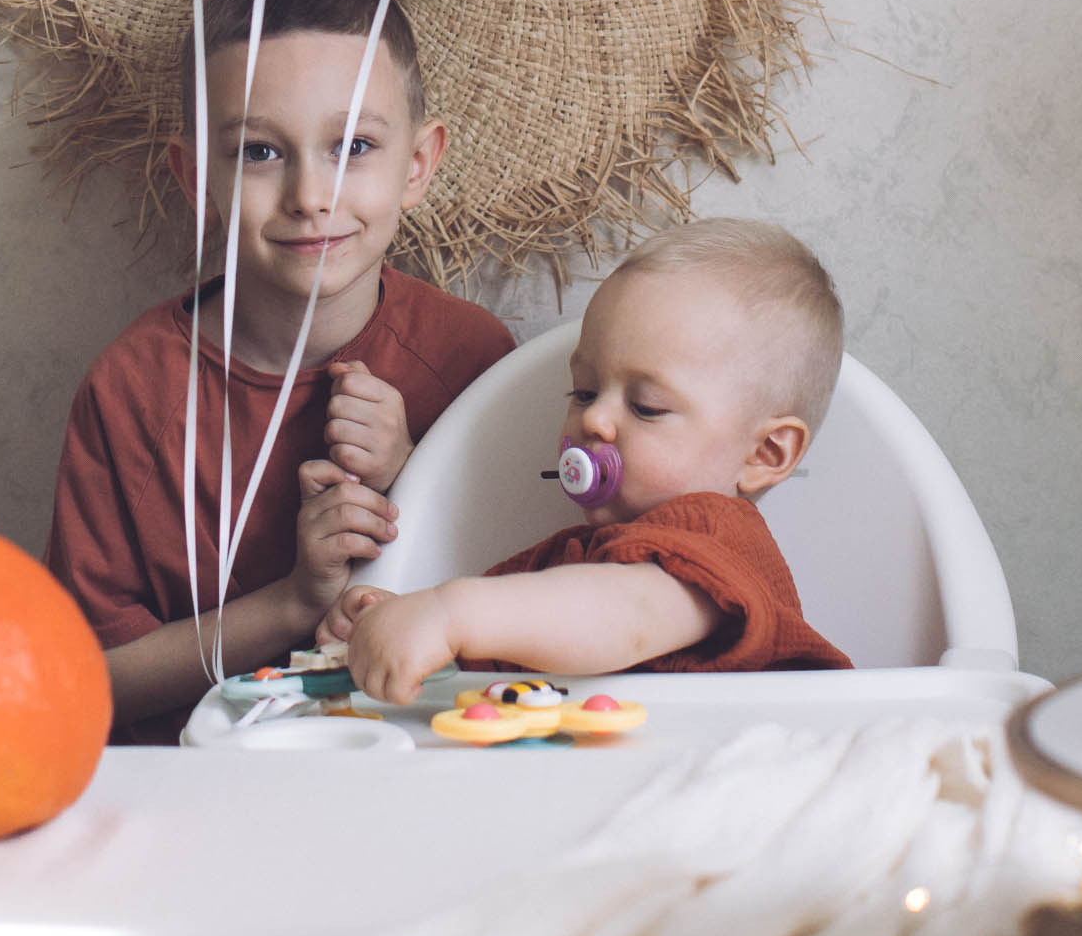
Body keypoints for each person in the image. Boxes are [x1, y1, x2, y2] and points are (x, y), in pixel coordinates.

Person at [46, 0, 514, 741]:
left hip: (423, 776)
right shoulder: (133, 394)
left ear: (419, 165)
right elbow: (85, 684)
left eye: (354, 146)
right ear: (196, 178)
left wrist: (417, 470)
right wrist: (293, 603)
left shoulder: (471, 362)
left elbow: (529, 608)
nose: (309, 194)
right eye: (260, 152)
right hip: (198, 796)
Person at [320, 219, 851, 697]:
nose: (595, 420)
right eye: (585, 392)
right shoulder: (568, 559)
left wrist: (449, 614)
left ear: (764, 453)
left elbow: (625, 616)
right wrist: (394, 625)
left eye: (646, 407)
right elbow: (520, 649)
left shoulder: (718, 542)